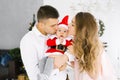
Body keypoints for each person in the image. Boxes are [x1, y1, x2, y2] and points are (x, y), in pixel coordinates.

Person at [20, 5, 69, 80]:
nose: (57, 28)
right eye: (53, 25)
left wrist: (66, 60)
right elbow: (34, 75)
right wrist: (58, 69)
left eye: (57, 24)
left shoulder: (56, 34)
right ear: (41, 25)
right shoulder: (28, 40)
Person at [68, 12, 117, 80]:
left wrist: (76, 54)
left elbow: (94, 75)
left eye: (73, 24)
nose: (68, 25)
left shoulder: (95, 47)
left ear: (81, 30)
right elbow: (81, 67)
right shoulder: (78, 44)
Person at [44, 15, 74, 80]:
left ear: (67, 33)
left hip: (61, 56)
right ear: (56, 32)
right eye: (59, 30)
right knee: (50, 67)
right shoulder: (53, 38)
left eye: (64, 31)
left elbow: (71, 48)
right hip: (52, 54)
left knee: (62, 71)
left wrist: (65, 42)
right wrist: (57, 41)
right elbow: (48, 43)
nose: (62, 33)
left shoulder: (68, 40)